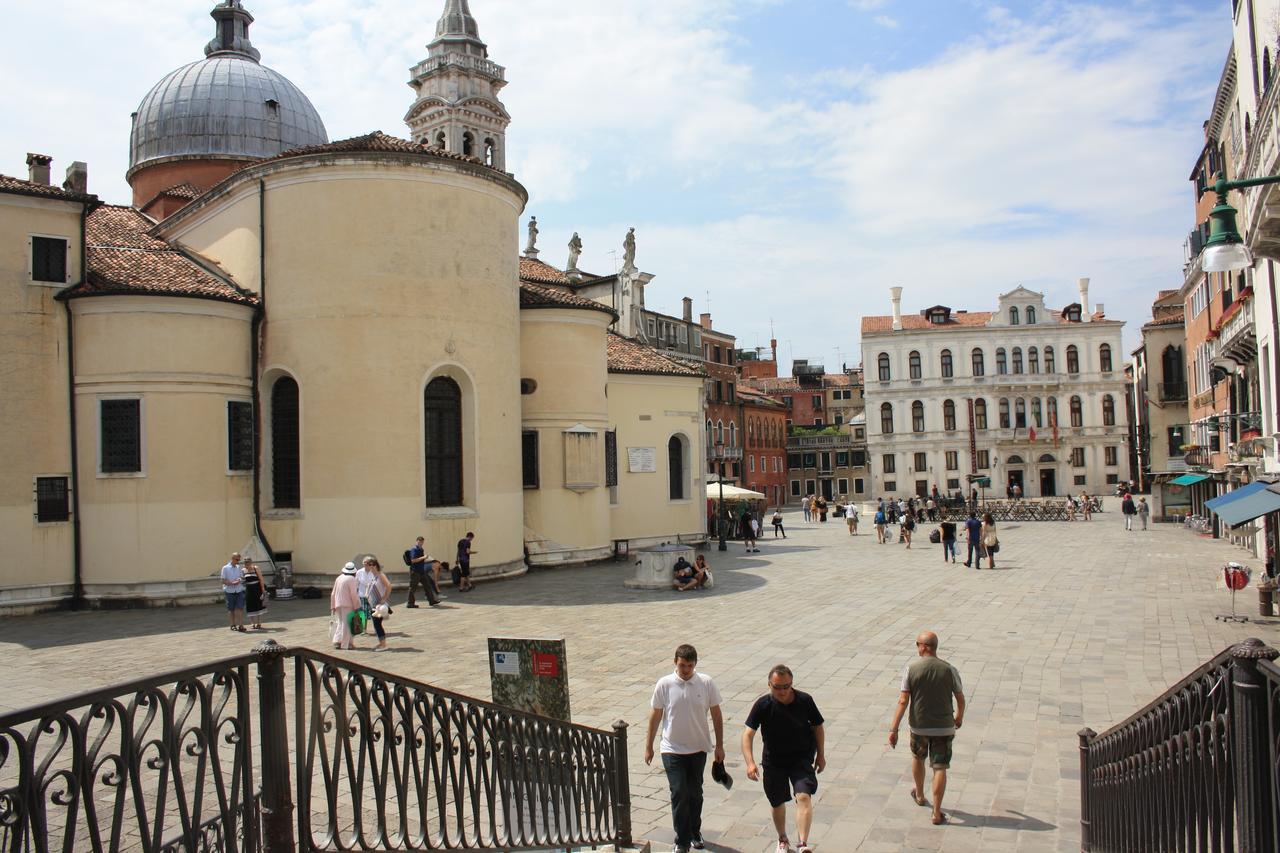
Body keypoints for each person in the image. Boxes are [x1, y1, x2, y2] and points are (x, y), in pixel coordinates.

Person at [645, 644, 725, 853]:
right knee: (679, 792)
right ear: (675, 663)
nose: (686, 670)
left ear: (695, 664)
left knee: (695, 793)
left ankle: (694, 831)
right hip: (671, 749)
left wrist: (720, 746)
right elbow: (656, 715)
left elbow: (716, 715)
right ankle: (681, 840)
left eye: (689, 666)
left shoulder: (706, 683)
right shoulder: (665, 684)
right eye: (682, 665)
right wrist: (649, 745)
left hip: (698, 748)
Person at [742, 665, 826, 853]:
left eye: (786, 686)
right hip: (774, 761)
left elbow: (818, 726)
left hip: (801, 758)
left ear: (792, 684)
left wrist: (820, 754)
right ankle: (782, 839)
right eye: (777, 687)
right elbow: (747, 735)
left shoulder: (805, 700)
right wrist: (750, 762)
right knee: (777, 801)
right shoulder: (763, 705)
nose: (782, 691)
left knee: (804, 796)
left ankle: (803, 844)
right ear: (769, 685)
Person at [888, 631, 966, 826]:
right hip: (944, 728)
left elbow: (903, 700)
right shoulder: (949, 669)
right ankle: (937, 813)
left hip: (919, 727)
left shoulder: (911, 669)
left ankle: (921, 795)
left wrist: (894, 728)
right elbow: (960, 697)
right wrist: (959, 716)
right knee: (940, 767)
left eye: (917, 645)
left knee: (918, 758)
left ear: (923, 647)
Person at [330, 562, 361, 650]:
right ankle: (346, 644)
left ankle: (337, 640)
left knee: (340, 622)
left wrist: (332, 605)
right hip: (348, 604)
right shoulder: (352, 579)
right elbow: (353, 594)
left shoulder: (339, 578)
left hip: (338, 604)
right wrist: (357, 606)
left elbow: (333, 593)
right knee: (347, 624)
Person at [364, 556, 392, 652]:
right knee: (376, 624)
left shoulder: (380, 575)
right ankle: (381, 643)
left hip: (379, 605)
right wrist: (367, 594)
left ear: (373, 566)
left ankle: (383, 645)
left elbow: (388, 586)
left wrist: (384, 599)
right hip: (374, 605)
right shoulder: (374, 576)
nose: (366, 567)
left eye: (368, 565)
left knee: (377, 624)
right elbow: (368, 585)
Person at [406, 536, 440, 607]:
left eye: (422, 541)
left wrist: (427, 559)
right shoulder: (414, 549)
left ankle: (431, 601)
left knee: (427, 586)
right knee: (413, 588)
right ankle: (410, 603)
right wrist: (424, 557)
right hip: (415, 572)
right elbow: (413, 560)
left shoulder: (421, 549)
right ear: (417, 541)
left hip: (421, 571)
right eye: (419, 541)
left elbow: (421, 560)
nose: (421, 542)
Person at [221, 552, 246, 633]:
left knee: (240, 608)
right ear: (232, 558)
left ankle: (241, 625)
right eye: (236, 559)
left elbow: (241, 577)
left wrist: (239, 580)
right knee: (231, 609)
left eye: (239, 560)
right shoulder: (225, 568)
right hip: (229, 591)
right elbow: (223, 580)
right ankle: (232, 624)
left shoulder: (238, 567)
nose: (238, 561)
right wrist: (232, 583)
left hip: (239, 590)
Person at [242, 558, 267, 630]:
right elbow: (243, 580)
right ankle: (252, 623)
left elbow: (261, 579)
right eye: (246, 563)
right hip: (249, 589)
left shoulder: (256, 568)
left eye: (248, 563)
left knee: (258, 604)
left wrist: (263, 590)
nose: (247, 565)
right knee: (250, 605)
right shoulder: (243, 570)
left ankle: (259, 623)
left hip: (257, 588)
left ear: (251, 563)